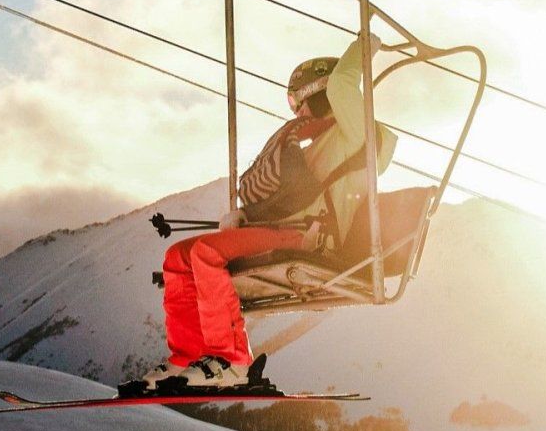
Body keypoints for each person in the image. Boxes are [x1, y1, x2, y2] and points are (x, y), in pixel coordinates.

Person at [140, 33, 398, 391]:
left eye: (301, 103)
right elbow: (293, 199)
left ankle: (231, 361)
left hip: (311, 239)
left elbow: (343, 83)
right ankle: (186, 359)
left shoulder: (357, 135)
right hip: (285, 230)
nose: (297, 115)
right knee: (177, 256)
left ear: (323, 95)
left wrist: (364, 46)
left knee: (206, 252)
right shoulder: (316, 150)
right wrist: (246, 217)